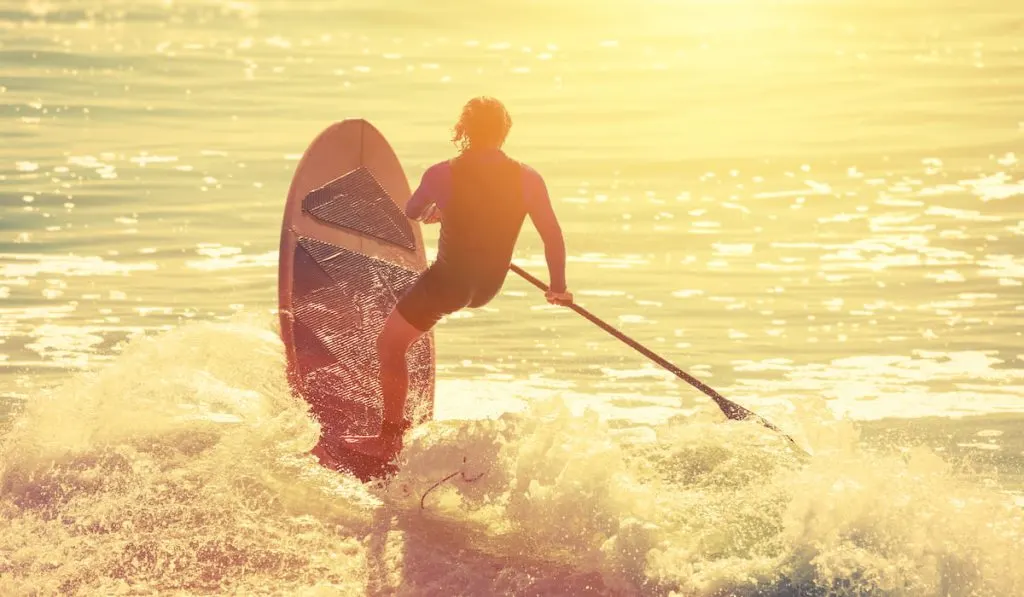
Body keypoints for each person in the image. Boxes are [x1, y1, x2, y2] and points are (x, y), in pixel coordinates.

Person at [337, 96, 572, 468]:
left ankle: (389, 438)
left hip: (449, 285)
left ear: (463, 130)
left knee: (389, 344)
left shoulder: (441, 174)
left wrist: (439, 210)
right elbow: (552, 235)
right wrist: (557, 285)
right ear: (504, 131)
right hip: (489, 285)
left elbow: (413, 212)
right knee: (415, 318)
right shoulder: (528, 178)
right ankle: (405, 389)